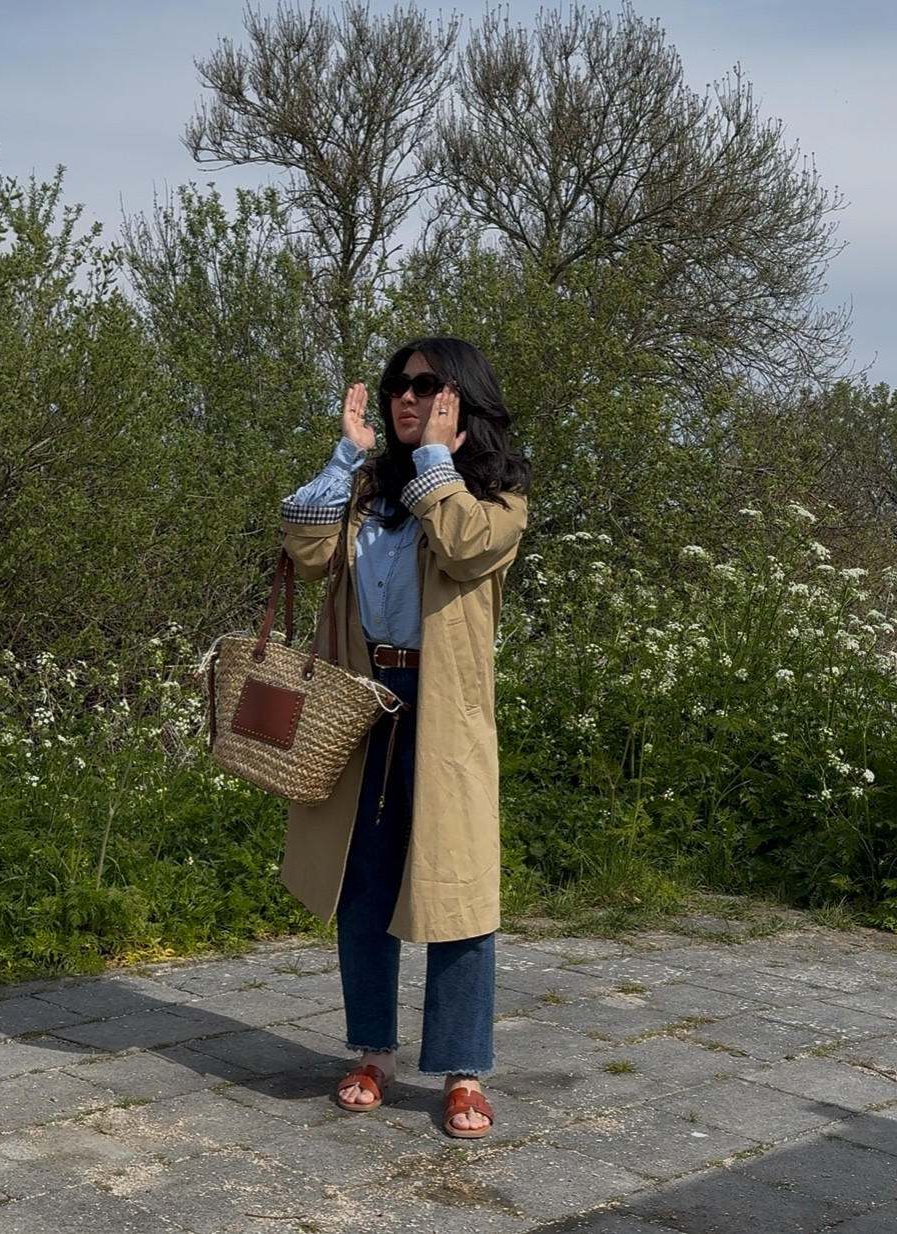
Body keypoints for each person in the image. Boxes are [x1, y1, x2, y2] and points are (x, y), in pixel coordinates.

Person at [279, 336, 530, 1138]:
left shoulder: (495, 500)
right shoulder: (369, 490)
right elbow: (306, 551)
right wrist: (345, 456)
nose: (407, 396)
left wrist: (433, 465)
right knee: (364, 880)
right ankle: (373, 1053)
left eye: (428, 385)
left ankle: (463, 1074)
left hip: (444, 710)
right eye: (399, 385)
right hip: (361, 698)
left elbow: (463, 547)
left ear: (466, 401)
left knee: (457, 891)